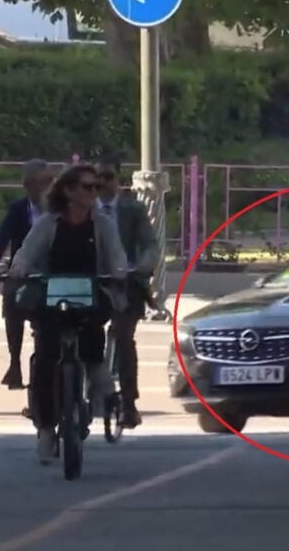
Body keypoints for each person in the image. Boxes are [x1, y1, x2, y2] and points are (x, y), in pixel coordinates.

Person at [8, 164, 128, 462]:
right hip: (51, 298)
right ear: (68, 191)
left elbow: (117, 256)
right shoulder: (49, 223)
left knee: (92, 349)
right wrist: (19, 268)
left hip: (89, 298)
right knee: (46, 361)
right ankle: (47, 428)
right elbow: (26, 253)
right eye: (87, 187)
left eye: (96, 188)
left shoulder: (102, 224)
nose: (94, 193)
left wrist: (119, 271)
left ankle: (102, 388)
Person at [95, 155, 158, 428]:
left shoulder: (133, 210)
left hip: (126, 283)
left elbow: (149, 245)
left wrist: (142, 267)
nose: (100, 184)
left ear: (119, 180)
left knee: (123, 337)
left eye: (107, 177)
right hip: (92, 283)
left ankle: (129, 404)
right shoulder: (83, 209)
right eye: (95, 178)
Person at [0, 159, 54, 389]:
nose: (47, 187)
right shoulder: (18, 210)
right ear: (28, 185)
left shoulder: (62, 210)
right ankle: (14, 363)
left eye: (50, 181)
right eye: (42, 182)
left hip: (57, 277)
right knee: (12, 296)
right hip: (23, 276)